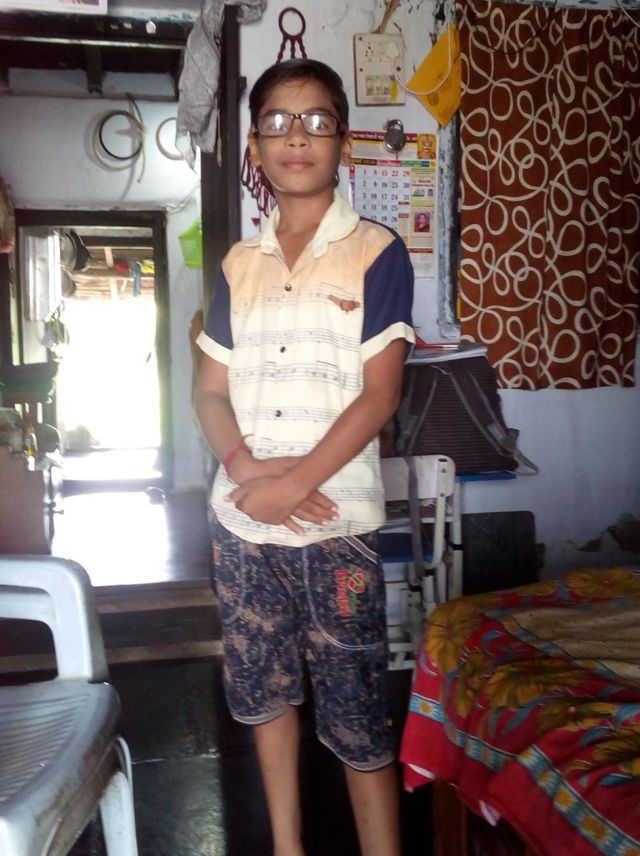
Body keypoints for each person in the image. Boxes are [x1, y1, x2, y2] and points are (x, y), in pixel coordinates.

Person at [195, 57, 415, 856]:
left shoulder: (378, 252)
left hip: (338, 528)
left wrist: (292, 485)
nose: (297, 138)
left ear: (343, 142)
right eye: (278, 123)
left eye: (317, 121)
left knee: (359, 714)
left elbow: (379, 396)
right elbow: (209, 392)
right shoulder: (237, 266)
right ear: (254, 148)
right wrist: (249, 471)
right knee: (265, 697)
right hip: (244, 522)